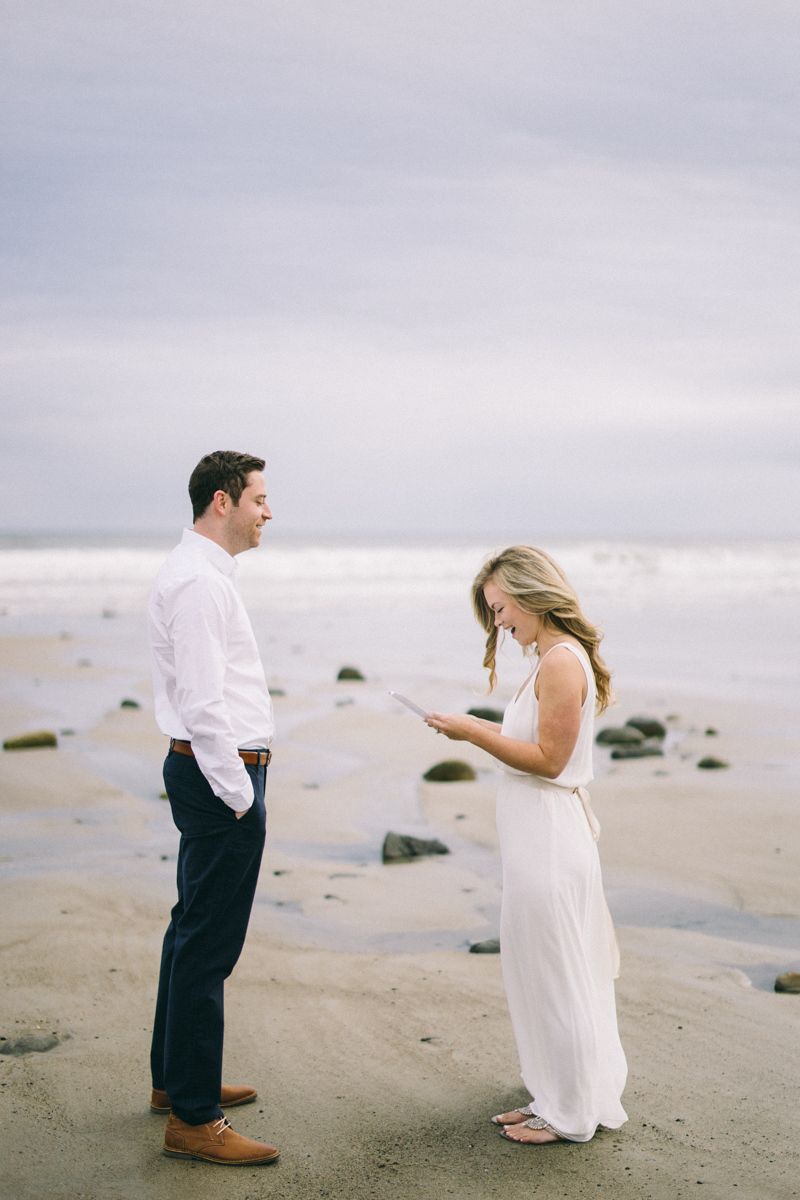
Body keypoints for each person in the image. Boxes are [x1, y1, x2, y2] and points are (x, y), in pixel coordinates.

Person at [425, 545, 627, 1145]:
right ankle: (553, 1096)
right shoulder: (548, 659)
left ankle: (569, 1113)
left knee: (558, 972)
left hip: (551, 842)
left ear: (530, 595)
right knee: (540, 972)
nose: (498, 622)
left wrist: (469, 731)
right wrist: (471, 725)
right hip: (534, 839)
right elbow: (530, 740)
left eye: (500, 607)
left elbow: (549, 760)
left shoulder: (561, 662)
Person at [147, 450, 280, 1166]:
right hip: (218, 778)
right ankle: (193, 1121)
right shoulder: (198, 581)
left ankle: (176, 1082)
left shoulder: (199, 572)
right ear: (223, 502)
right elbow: (203, 704)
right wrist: (241, 799)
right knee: (207, 946)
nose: (268, 513)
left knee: (188, 929)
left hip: (208, 773)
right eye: (259, 499)